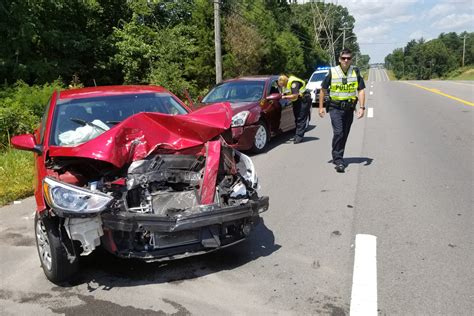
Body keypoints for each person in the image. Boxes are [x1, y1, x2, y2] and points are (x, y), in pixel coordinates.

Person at [318, 48, 366, 173]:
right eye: (343, 58)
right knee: (338, 132)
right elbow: (323, 89)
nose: (346, 60)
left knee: (344, 134)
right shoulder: (333, 72)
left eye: (348, 58)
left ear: (351, 59)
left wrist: (362, 107)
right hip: (335, 107)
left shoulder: (355, 71)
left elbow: (360, 90)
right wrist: (321, 107)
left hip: (349, 108)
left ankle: (338, 154)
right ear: (339, 59)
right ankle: (338, 159)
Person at [277, 75, 311, 144]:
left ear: (285, 81)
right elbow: (286, 93)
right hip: (297, 101)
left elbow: (295, 95)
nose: (283, 86)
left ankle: (299, 137)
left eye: (283, 85)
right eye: (281, 85)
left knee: (301, 118)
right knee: (296, 117)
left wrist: (284, 97)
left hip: (304, 100)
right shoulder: (286, 85)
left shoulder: (294, 83)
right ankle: (297, 135)